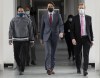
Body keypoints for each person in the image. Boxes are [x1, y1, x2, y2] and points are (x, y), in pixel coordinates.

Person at [9, 6, 34, 75]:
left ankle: (21, 68)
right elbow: (11, 29)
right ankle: (19, 65)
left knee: (23, 55)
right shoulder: (13, 20)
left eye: (22, 11)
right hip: (16, 40)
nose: (20, 12)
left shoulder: (28, 20)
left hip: (25, 40)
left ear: (24, 12)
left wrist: (32, 40)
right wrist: (10, 38)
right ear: (17, 12)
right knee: (16, 55)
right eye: (19, 11)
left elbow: (30, 30)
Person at [40, 1, 64, 75]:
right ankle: (48, 68)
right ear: (47, 8)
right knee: (48, 52)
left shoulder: (58, 15)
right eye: (48, 6)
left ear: (54, 7)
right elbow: (42, 27)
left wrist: (61, 32)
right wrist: (41, 38)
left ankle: (52, 68)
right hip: (46, 36)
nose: (50, 7)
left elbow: (61, 25)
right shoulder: (44, 16)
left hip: (55, 36)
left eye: (51, 6)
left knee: (53, 53)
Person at [70, 3, 94, 76]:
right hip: (77, 39)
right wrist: (73, 38)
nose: (81, 9)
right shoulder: (74, 18)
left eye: (82, 8)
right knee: (78, 54)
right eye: (80, 8)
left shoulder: (89, 18)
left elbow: (90, 29)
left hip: (86, 38)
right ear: (78, 9)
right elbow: (72, 30)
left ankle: (85, 70)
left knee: (86, 55)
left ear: (85, 8)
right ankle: (78, 68)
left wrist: (92, 39)